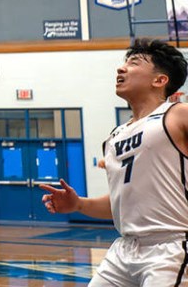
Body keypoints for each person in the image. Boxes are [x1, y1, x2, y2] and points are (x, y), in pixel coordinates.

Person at [41, 39, 188, 287]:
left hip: (171, 246)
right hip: (124, 249)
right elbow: (120, 203)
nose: (121, 69)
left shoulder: (177, 114)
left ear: (160, 80)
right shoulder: (114, 138)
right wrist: (78, 204)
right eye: (123, 64)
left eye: (133, 63)